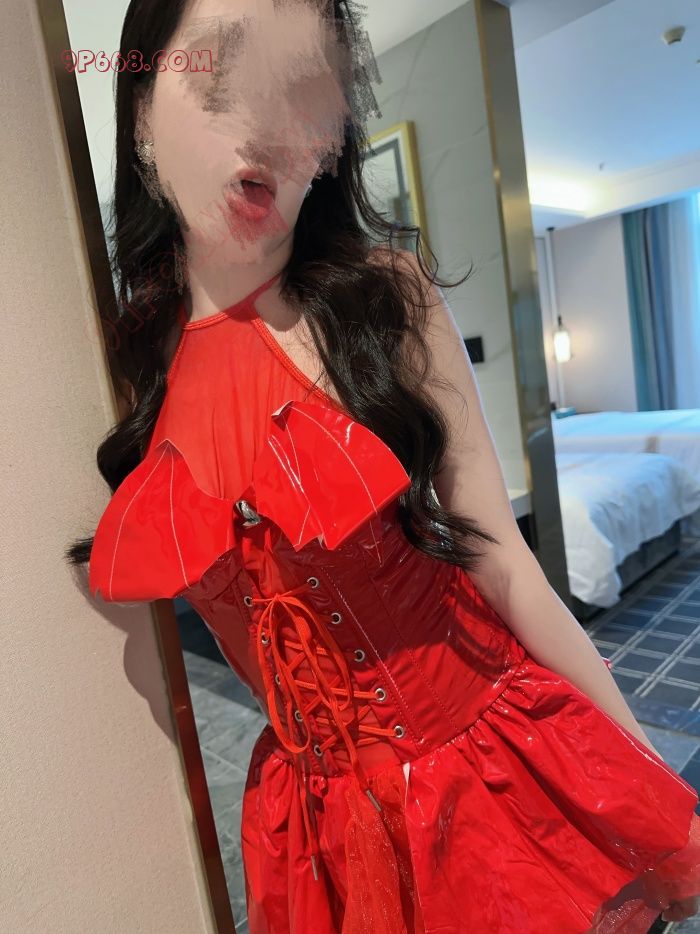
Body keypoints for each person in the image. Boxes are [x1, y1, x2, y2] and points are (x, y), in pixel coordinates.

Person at [68, 0, 700, 930]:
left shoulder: (385, 298)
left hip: (491, 778)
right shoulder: (133, 362)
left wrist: (644, 775)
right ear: (140, 120)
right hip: (316, 836)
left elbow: (505, 564)